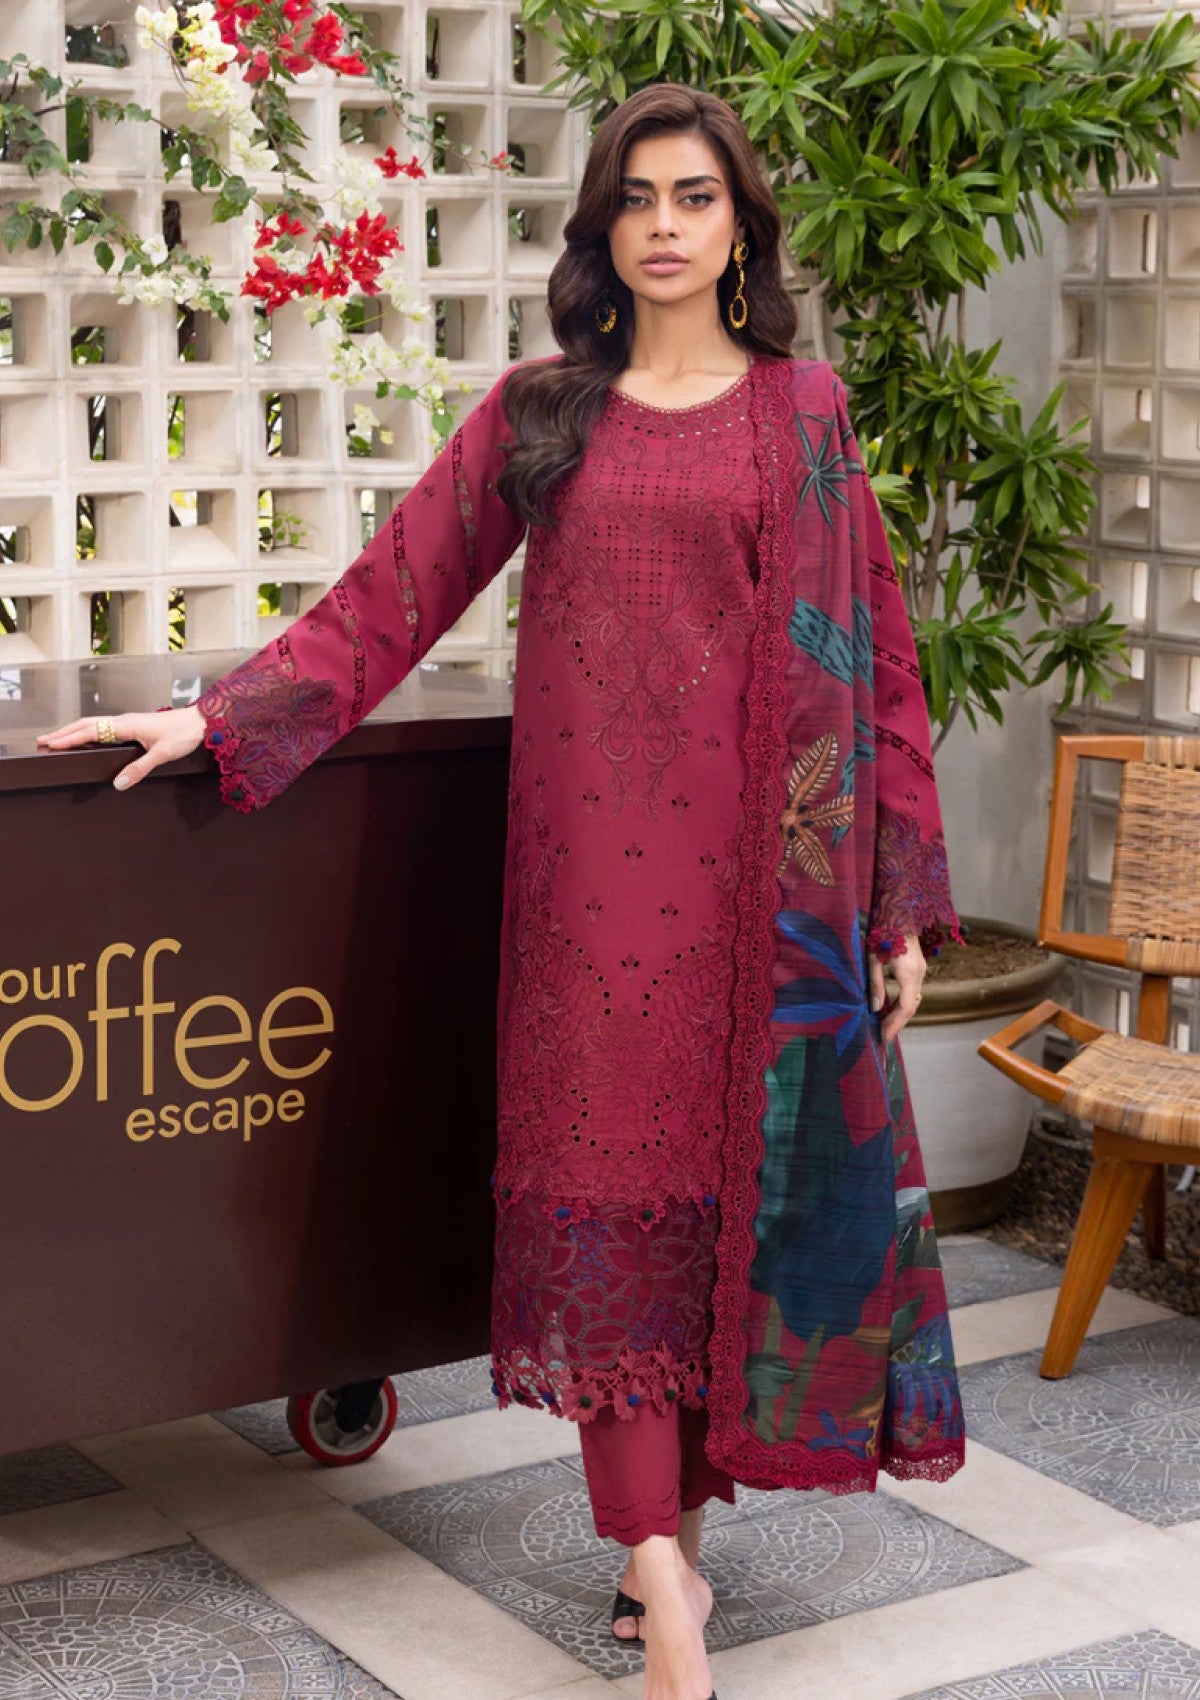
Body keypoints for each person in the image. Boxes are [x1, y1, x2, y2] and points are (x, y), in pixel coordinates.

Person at [39, 84, 966, 1700]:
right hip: (590, 901)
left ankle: (667, 1541)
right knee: (606, 1208)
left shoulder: (803, 414)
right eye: (637, 199)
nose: (665, 226)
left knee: (720, 1220)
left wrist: (892, 900)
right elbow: (389, 595)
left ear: (740, 228)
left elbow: (873, 655)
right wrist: (217, 718)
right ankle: (657, 1566)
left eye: (695, 198)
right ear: (602, 226)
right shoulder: (546, 413)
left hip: (767, 904)